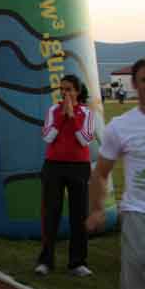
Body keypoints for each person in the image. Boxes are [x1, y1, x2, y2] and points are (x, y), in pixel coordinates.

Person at [87, 57, 145, 289]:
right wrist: (96, 209)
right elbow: (101, 173)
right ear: (134, 85)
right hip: (140, 219)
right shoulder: (121, 126)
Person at [35, 74, 95, 277]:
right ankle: (46, 261)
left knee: (79, 214)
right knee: (51, 213)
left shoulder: (86, 112)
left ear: (77, 91)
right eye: (62, 89)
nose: (65, 93)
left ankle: (77, 262)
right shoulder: (53, 110)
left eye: (69, 89)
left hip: (79, 167)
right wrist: (62, 116)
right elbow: (47, 136)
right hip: (54, 166)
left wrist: (73, 117)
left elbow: (85, 140)